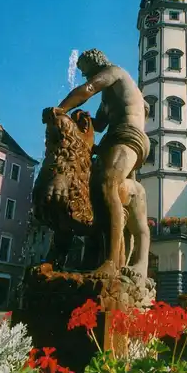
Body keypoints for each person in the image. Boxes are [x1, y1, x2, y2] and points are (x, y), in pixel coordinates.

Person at [43, 49, 150, 277]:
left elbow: (88, 89)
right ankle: (85, 258)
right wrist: (81, 120)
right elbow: (99, 125)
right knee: (86, 190)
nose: (83, 76)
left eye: (85, 70)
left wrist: (62, 109)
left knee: (106, 184)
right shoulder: (109, 96)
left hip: (128, 136)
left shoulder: (114, 72)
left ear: (95, 63)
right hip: (112, 138)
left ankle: (112, 261)